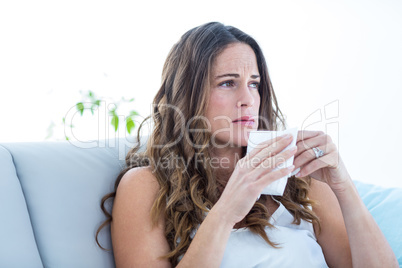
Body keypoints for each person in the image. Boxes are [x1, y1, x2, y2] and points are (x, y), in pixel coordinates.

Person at [96, 22, 397, 267]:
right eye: (228, 83)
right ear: (187, 95)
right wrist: (227, 210)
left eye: (254, 83)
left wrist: (344, 189)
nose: (248, 99)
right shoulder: (146, 186)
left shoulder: (302, 186)